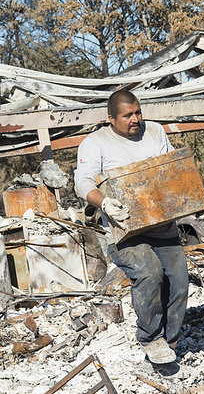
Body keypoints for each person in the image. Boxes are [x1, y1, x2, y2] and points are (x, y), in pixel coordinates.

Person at [74, 89, 188, 365]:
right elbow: (82, 183)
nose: (136, 119)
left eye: (138, 112)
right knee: (149, 272)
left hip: (163, 225)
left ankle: (167, 346)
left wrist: (187, 183)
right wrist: (104, 204)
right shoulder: (95, 143)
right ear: (111, 118)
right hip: (125, 232)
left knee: (179, 284)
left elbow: (171, 166)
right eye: (128, 115)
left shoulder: (155, 132)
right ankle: (150, 338)